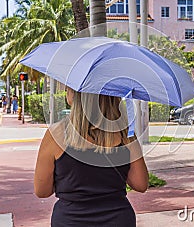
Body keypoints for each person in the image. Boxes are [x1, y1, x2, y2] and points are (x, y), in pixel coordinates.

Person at [34, 87, 149, 227]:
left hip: (70, 220)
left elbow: (42, 191)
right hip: (118, 219)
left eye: (68, 89)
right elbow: (141, 184)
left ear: (76, 96)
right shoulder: (126, 135)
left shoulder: (56, 134)